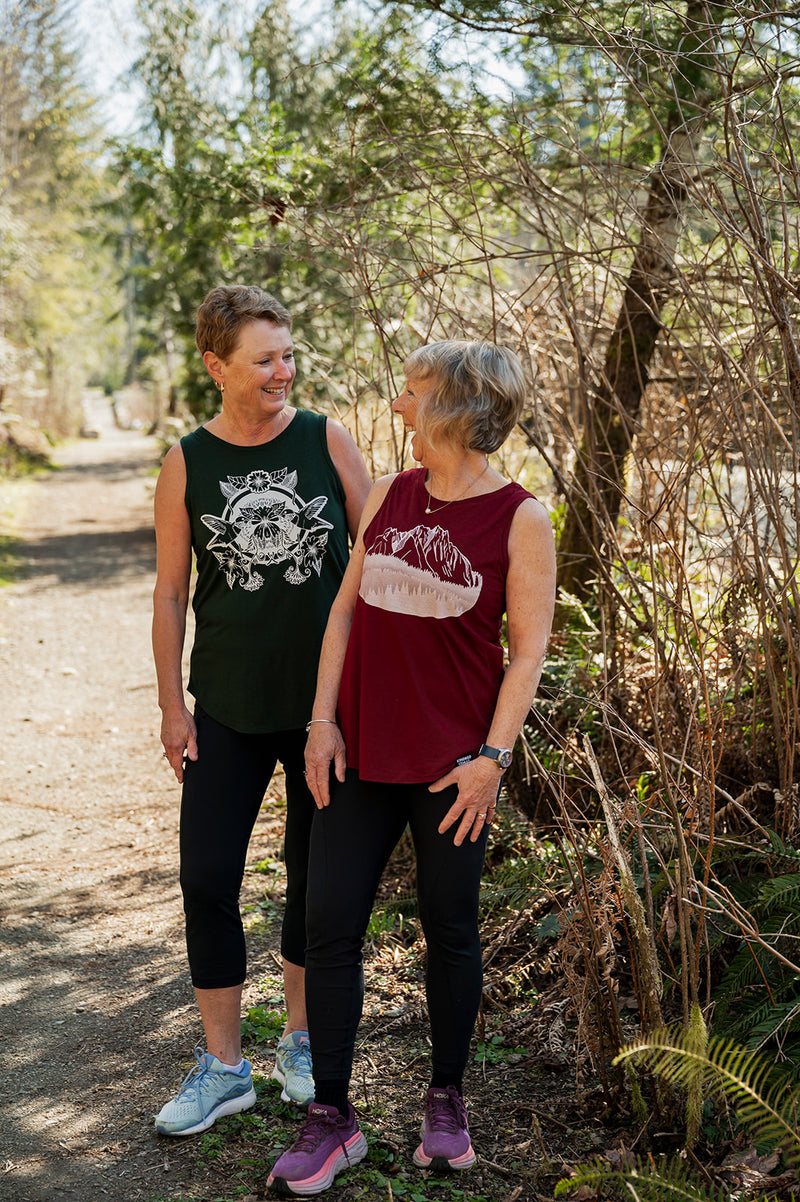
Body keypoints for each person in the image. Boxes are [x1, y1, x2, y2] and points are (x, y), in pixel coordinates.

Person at [267, 339, 557, 1195]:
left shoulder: (520, 518)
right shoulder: (390, 495)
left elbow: (528, 651)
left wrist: (492, 761)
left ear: (457, 408)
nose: (398, 407)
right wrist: (322, 722)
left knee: (452, 930)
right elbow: (345, 615)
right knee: (329, 931)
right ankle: (332, 1117)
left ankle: (447, 1101)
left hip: (450, 769)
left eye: (412, 393)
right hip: (358, 752)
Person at [151, 285, 371, 1136]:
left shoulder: (326, 439)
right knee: (207, 877)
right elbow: (171, 594)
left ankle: (302, 1043)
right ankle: (223, 1066)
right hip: (229, 708)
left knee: (315, 885)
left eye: (288, 355)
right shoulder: (188, 462)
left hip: (325, 710)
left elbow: (378, 553)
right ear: (217, 366)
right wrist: (174, 707)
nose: (283, 372)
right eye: (264, 359)